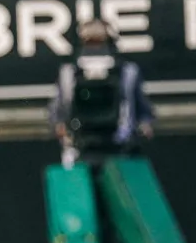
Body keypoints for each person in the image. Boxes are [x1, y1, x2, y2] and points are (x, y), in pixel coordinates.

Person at [50, 18, 153, 159]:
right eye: (90, 42)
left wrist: (143, 125)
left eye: (99, 42)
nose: (95, 48)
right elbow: (58, 113)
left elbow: (143, 111)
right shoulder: (68, 73)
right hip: (78, 146)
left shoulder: (128, 72)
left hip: (120, 145)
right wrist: (61, 127)